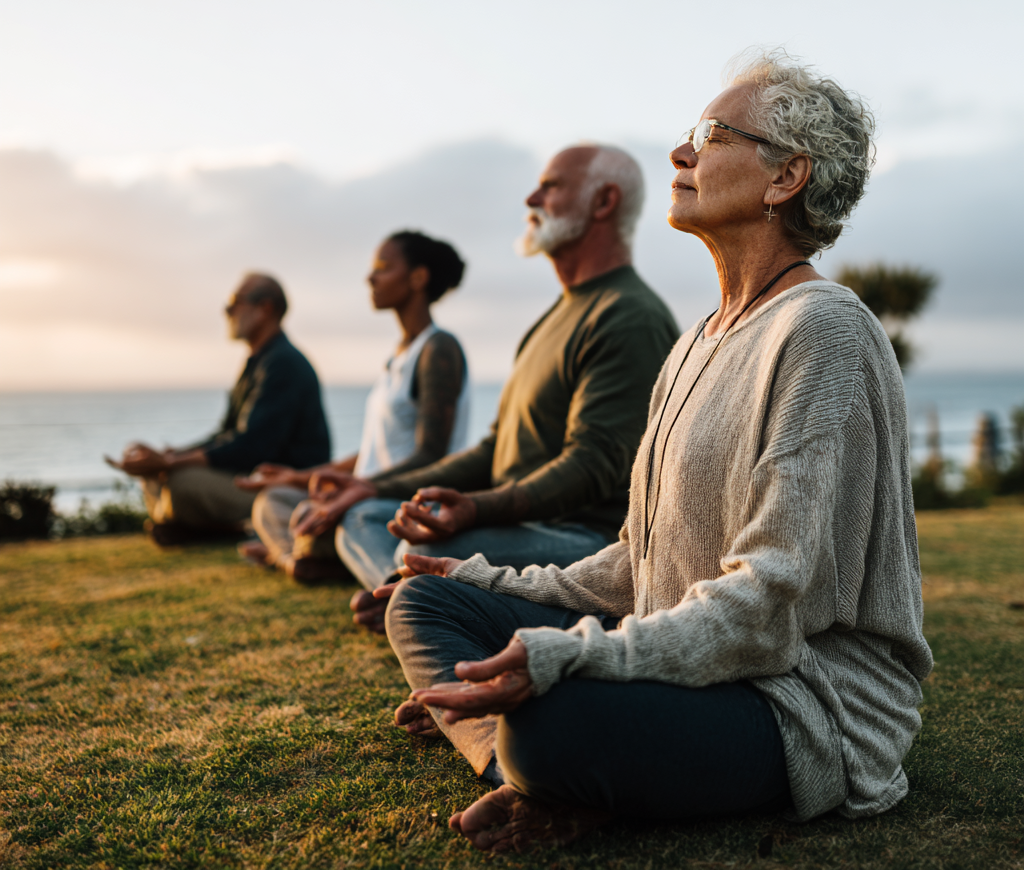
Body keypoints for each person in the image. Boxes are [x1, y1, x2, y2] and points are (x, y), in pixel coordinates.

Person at [382, 51, 934, 853]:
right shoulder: (693, 345)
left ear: (786, 179)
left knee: (550, 723)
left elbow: (770, 602)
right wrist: (482, 579)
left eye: (710, 136)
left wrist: (576, 660)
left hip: (792, 700)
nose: (681, 154)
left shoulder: (824, 332)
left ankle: (520, 757)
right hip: (688, 655)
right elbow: (639, 561)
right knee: (425, 603)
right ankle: (523, 763)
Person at [308, 144, 679, 632]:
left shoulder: (628, 316)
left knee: (424, 548)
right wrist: (369, 485)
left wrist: (476, 509)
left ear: (603, 202)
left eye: (550, 186)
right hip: (518, 525)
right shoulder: (551, 320)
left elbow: (593, 466)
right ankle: (419, 599)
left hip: (583, 538)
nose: (531, 197)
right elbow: (493, 449)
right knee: (364, 515)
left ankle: (425, 600)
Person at [238, 231, 470, 582]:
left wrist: (352, 494)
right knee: (277, 500)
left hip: (403, 503)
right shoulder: (398, 355)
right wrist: (299, 476)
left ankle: (404, 593)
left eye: (384, 267)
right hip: (369, 494)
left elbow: (431, 455)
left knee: (344, 517)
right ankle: (304, 559)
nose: (370, 277)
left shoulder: (438, 349)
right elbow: (375, 451)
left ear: (418, 277)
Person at [109, 273, 331, 547]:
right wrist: (169, 455)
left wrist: (172, 463)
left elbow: (253, 447)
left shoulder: (283, 364)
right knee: (159, 474)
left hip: (283, 486)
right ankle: (207, 529)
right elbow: (226, 434)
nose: (227, 312)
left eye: (233, 304)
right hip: (249, 477)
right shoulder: (259, 362)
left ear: (265, 309)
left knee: (181, 482)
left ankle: (226, 531)